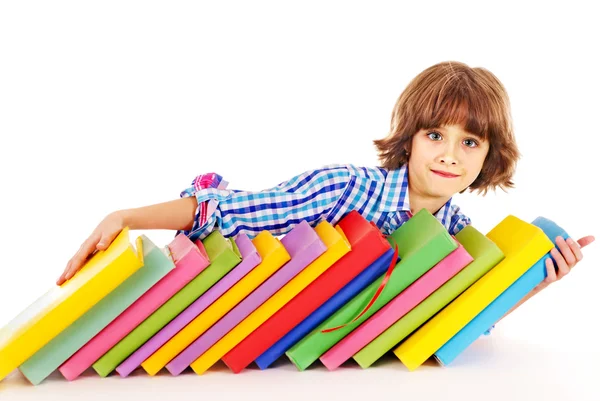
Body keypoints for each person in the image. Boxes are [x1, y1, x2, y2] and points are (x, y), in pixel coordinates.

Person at [56, 61, 594, 325]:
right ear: (408, 140)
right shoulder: (344, 188)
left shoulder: (457, 240)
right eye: (435, 135)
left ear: (487, 156)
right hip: (232, 251)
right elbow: (236, 213)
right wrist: (127, 216)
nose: (450, 155)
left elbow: (450, 322)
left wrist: (535, 283)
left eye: (469, 141)